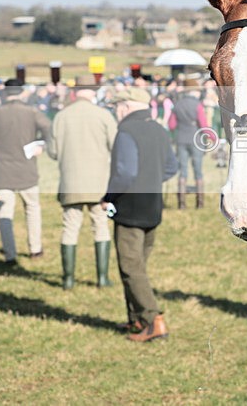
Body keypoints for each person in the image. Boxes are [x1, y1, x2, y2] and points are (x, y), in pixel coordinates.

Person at [101, 87, 177, 342]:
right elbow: (171, 168)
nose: (115, 112)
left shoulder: (126, 131)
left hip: (129, 209)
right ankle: (136, 319)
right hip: (153, 207)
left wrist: (108, 197)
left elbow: (124, 173)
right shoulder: (159, 129)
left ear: (125, 106)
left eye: (116, 107)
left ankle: (153, 320)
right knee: (138, 267)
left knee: (131, 268)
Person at [47, 75, 118, 290]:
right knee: (101, 227)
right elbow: (116, 147)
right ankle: (102, 278)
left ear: (74, 91)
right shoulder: (103, 115)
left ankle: (68, 279)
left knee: (70, 228)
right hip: (99, 184)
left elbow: (53, 152)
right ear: (93, 91)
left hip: (71, 182)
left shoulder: (61, 116)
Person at [0, 79, 52, 264]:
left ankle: (10, 254)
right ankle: (35, 249)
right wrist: (42, 145)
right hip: (27, 170)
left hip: (2, 170)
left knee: (5, 213)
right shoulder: (32, 112)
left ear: (4, 93)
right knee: (32, 209)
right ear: (22, 92)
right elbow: (50, 129)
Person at [168, 79, 207, 209]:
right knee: (198, 172)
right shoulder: (198, 105)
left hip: (181, 140)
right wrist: (213, 137)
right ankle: (200, 203)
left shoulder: (177, 104)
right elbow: (203, 125)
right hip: (196, 140)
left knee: (183, 171)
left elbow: (171, 125)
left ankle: (182, 203)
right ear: (194, 91)